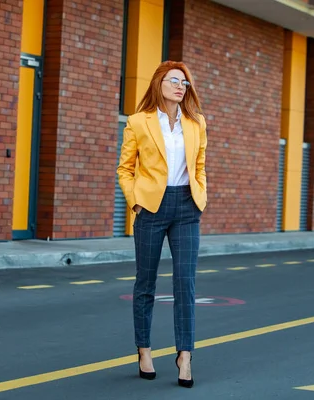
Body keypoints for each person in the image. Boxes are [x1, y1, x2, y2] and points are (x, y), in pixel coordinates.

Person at [117, 60, 207, 388]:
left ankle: (185, 355)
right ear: (160, 83)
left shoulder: (196, 123)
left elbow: (199, 166)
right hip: (151, 208)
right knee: (146, 284)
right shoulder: (138, 121)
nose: (180, 86)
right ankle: (144, 350)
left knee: (186, 283)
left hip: (186, 207)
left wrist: (201, 196)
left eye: (184, 81)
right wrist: (136, 201)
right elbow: (125, 168)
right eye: (174, 80)